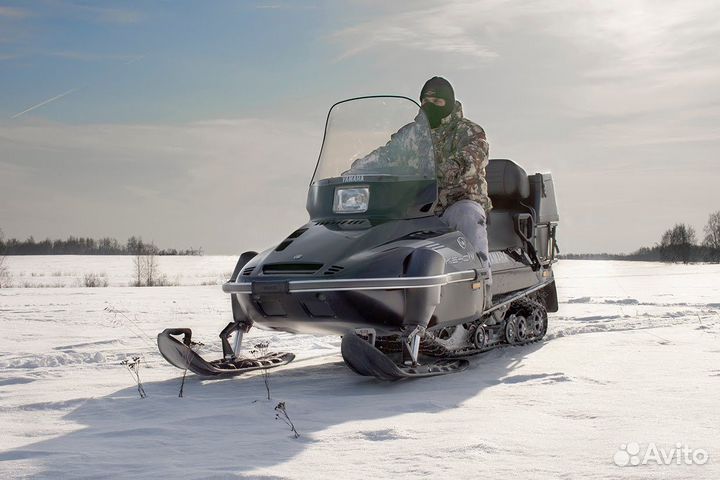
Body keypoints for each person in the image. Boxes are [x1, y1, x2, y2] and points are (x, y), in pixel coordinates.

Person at [347, 76, 492, 275]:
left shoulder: (468, 131)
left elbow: (472, 157)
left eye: (437, 102)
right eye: (425, 101)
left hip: (457, 202)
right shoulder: (412, 134)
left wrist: (447, 168)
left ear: (448, 103)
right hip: (417, 206)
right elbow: (387, 155)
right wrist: (355, 171)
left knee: (467, 214)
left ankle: (482, 282)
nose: (429, 106)